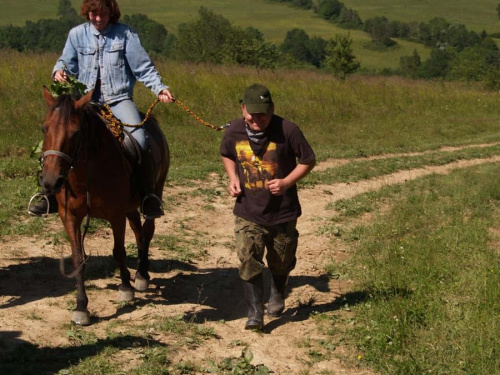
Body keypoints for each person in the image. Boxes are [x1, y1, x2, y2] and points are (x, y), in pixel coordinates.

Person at [29, 0, 174, 219]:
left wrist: (160, 89)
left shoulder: (125, 35)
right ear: (87, 12)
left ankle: (147, 197)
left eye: (103, 15)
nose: (98, 19)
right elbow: (65, 62)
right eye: (93, 14)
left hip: (118, 99)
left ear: (112, 12)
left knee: (141, 140)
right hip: (84, 103)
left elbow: (143, 68)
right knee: (56, 138)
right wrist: (59, 71)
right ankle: (48, 195)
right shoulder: (77, 35)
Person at [220, 83, 316, 330]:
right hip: (248, 211)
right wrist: (232, 177)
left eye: (263, 113)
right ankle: (254, 314)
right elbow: (227, 154)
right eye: (252, 114)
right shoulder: (233, 131)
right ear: (243, 110)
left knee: (281, 260)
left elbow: (308, 159)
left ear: (272, 109)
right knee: (247, 259)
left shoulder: (288, 130)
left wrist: (286, 182)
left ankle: (277, 290)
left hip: (282, 211)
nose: (257, 119)